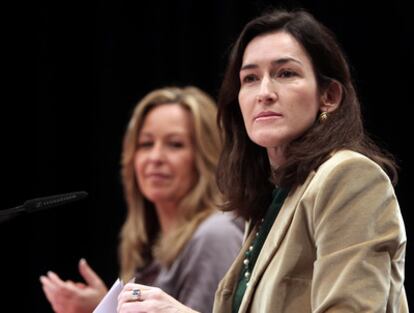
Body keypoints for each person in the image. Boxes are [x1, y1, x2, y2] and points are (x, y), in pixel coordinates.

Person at [116, 9, 408, 313]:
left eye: (285, 73)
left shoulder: (350, 176)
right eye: (250, 78)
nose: (264, 92)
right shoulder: (270, 200)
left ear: (329, 96)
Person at [40, 86, 244, 313]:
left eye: (175, 144)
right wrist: (101, 306)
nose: (155, 157)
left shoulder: (215, 236)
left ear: (205, 157)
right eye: (146, 144)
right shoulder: (147, 243)